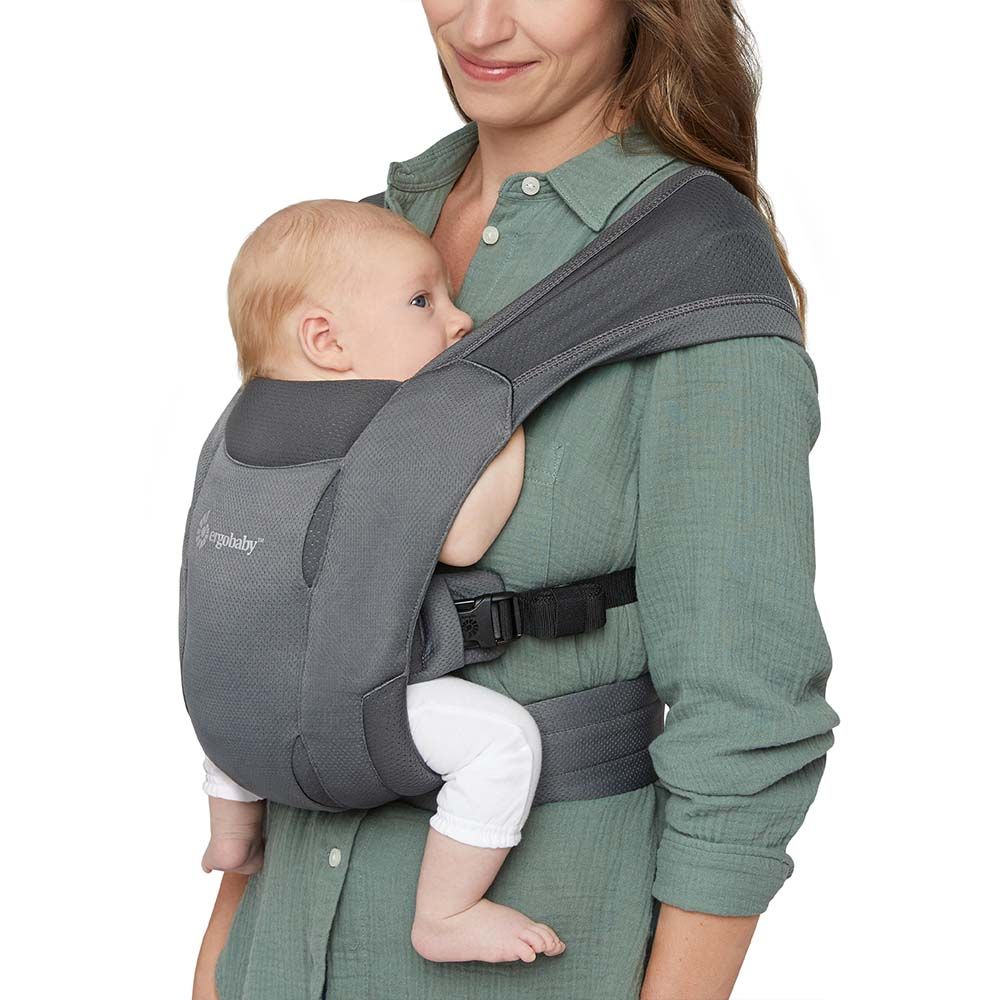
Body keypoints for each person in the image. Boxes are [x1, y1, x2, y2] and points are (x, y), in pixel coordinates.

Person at [194, 3, 838, 998]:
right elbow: (279, 611)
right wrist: (220, 964)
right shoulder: (363, 237)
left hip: (535, 949)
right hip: (278, 952)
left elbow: (746, 718)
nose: (481, 24)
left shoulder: (691, 272)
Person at [196, 197, 567, 964]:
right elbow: (462, 541)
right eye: (423, 301)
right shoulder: (381, 429)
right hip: (339, 720)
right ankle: (447, 913)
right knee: (504, 742)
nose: (460, 320)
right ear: (325, 339)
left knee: (247, 659)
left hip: (226, 719)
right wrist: (503, 427)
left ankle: (231, 833)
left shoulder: (231, 430)